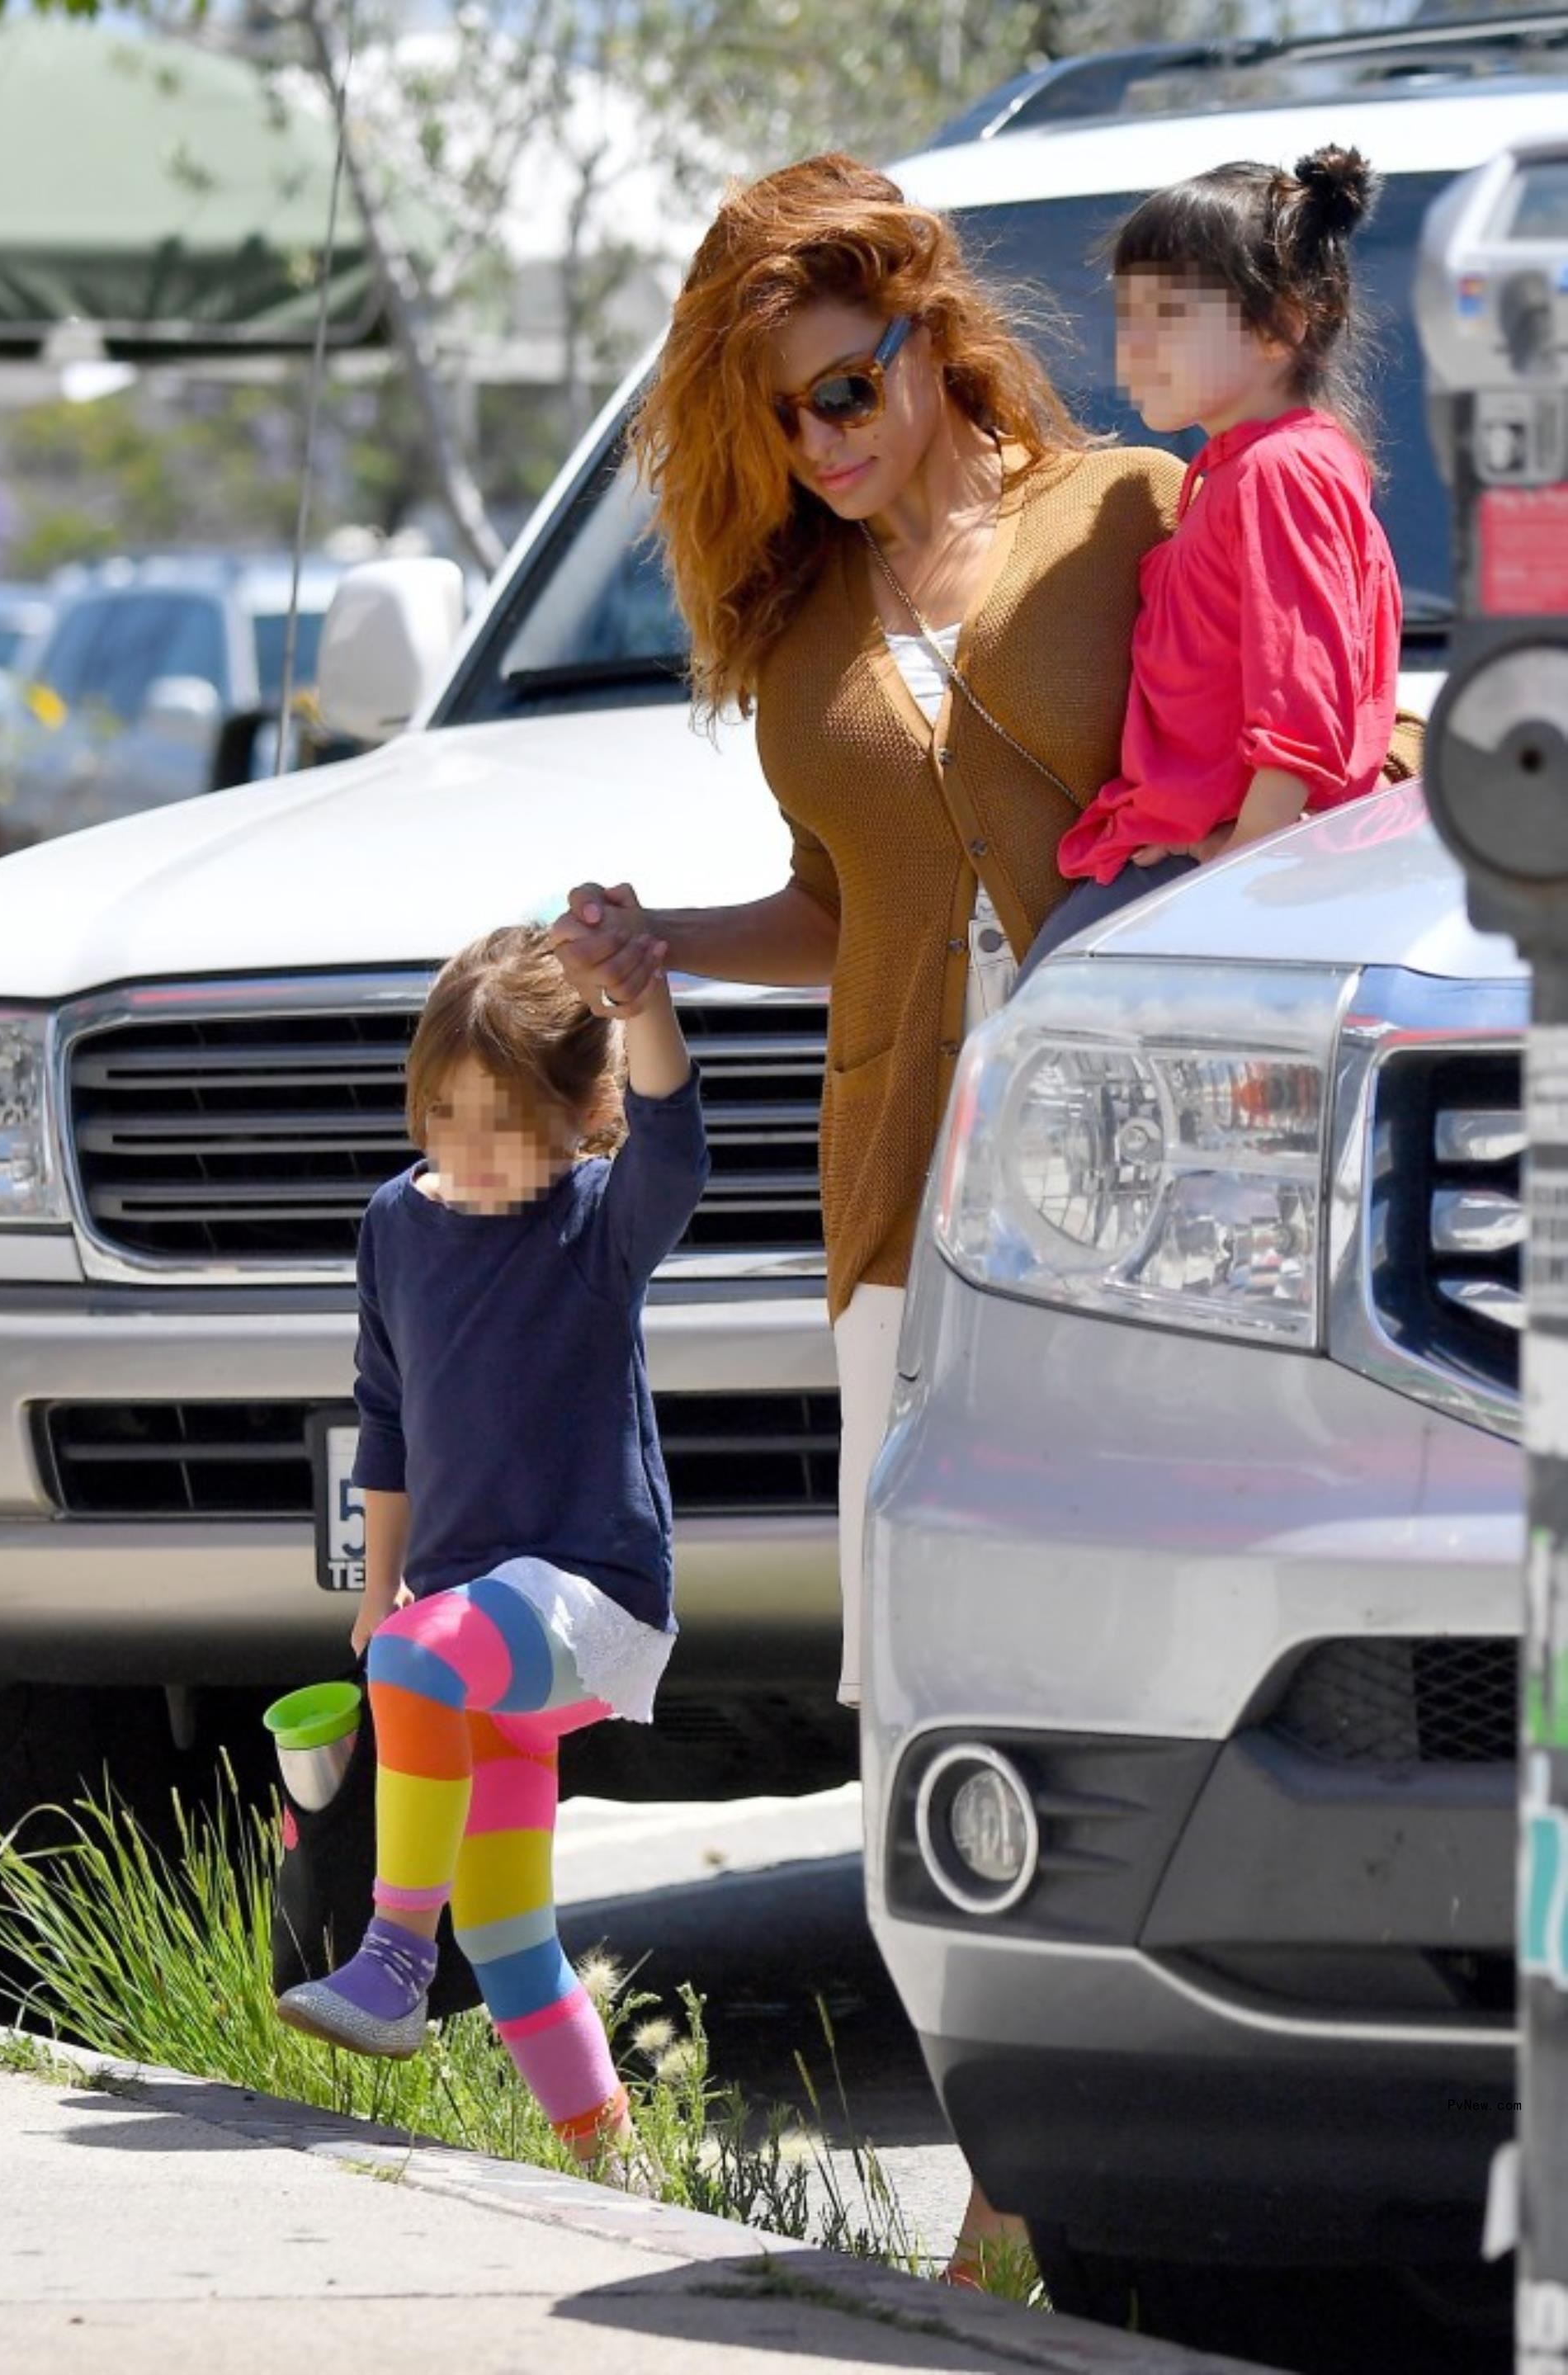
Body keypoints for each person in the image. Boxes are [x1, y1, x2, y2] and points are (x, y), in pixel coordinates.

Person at [545, 153, 1419, 2280]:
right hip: (896, 1200)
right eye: (780, 425)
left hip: (1156, 1187)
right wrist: (665, 941)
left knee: (1150, 1651)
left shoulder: (1133, 506)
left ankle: (1191, 2165)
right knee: (921, 1692)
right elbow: (846, 916)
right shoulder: (794, 638)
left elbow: (1309, 712)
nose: (823, 449)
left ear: (934, 342)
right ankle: (1007, 2190)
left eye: (846, 393)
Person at [275, 926, 709, 2179]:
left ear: (580, 1116)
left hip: (591, 1598)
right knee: (513, 1931)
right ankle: (622, 2171)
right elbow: (388, 1414)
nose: (466, 1146)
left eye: (505, 1121)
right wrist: (379, 1587)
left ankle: (395, 1961)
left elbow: (676, 1149)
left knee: (420, 1659)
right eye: (444, 1113)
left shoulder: (596, 1221)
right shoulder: (395, 1227)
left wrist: (650, 1006)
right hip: (475, 1624)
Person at [1023, 144, 1401, 970]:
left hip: (1218, 886)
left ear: (1285, 323)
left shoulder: (1281, 469)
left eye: (1169, 320)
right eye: (1128, 323)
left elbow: (1301, 715)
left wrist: (1235, 877)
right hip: (1193, 863)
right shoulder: (1239, 468)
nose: (1134, 353)